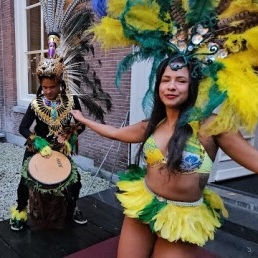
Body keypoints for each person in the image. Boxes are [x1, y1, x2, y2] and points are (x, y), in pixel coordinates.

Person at [70, 56, 258, 258]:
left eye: (181, 81)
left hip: (182, 217)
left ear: (193, 86)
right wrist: (83, 120)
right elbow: (115, 132)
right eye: (166, 80)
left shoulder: (211, 127)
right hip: (145, 203)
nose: (171, 86)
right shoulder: (153, 124)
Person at [10, 73, 88, 231]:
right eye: (44, 87)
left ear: (60, 84)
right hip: (38, 147)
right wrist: (38, 142)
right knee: (25, 180)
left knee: (75, 181)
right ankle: (20, 211)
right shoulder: (36, 104)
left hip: (60, 148)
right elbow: (23, 128)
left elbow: (81, 124)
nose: (48, 91)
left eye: (52, 87)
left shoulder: (71, 101)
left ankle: (72, 208)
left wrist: (69, 134)